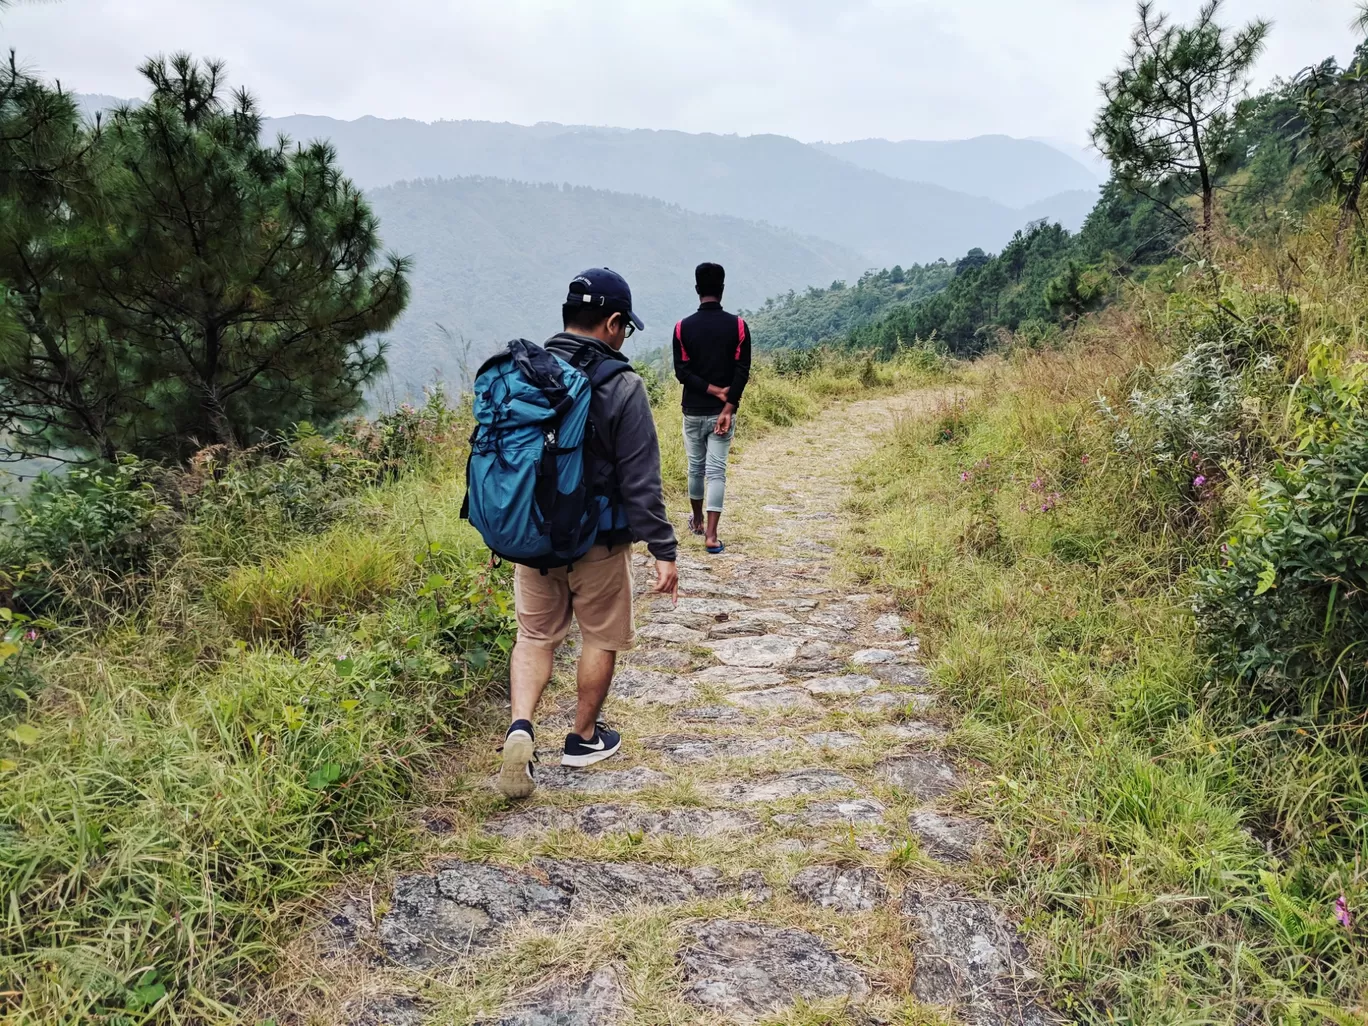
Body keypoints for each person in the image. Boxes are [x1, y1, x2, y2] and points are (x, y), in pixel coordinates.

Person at [498, 267, 679, 799]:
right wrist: (663, 550)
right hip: (597, 541)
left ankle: (520, 728)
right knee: (599, 635)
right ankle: (581, 738)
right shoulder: (623, 385)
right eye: (626, 328)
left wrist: (500, 534)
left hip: (530, 537)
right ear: (613, 322)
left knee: (534, 636)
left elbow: (502, 462)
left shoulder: (524, 371)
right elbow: (641, 479)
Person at [671, 262, 752, 554]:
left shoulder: (682, 327)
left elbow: (682, 371)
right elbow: (742, 370)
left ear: (697, 290)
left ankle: (696, 520)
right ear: (721, 290)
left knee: (696, 467)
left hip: (693, 409)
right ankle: (712, 536)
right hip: (723, 414)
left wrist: (709, 390)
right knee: (717, 471)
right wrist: (728, 405)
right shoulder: (739, 326)